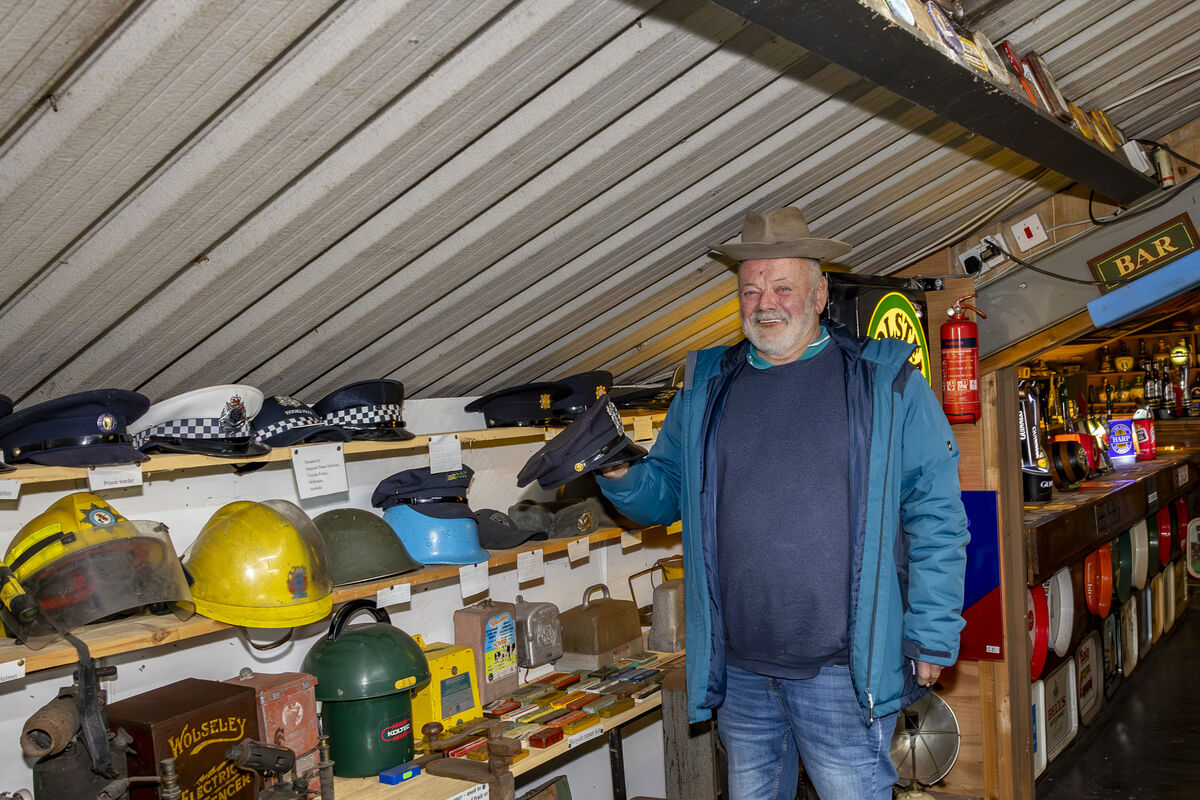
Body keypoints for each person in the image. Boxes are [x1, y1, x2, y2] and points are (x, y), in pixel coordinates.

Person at [596, 206, 968, 800]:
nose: (764, 302)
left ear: (820, 293)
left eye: (782, 286)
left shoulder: (885, 382)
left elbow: (937, 518)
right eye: (750, 289)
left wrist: (932, 632)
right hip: (740, 667)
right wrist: (616, 470)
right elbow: (662, 494)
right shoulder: (707, 386)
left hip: (843, 669)